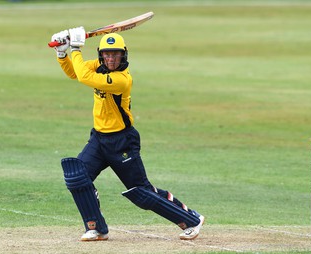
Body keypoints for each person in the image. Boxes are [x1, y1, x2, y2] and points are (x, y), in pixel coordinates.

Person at [50, 27, 204, 241]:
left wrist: (75, 48)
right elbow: (74, 72)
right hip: (99, 139)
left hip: (122, 141)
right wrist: (62, 53)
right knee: (77, 178)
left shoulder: (122, 79)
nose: (111, 58)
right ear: (101, 55)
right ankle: (96, 227)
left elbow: (85, 77)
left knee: (141, 192)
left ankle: (191, 220)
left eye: (115, 54)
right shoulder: (100, 66)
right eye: (107, 54)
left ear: (124, 55)